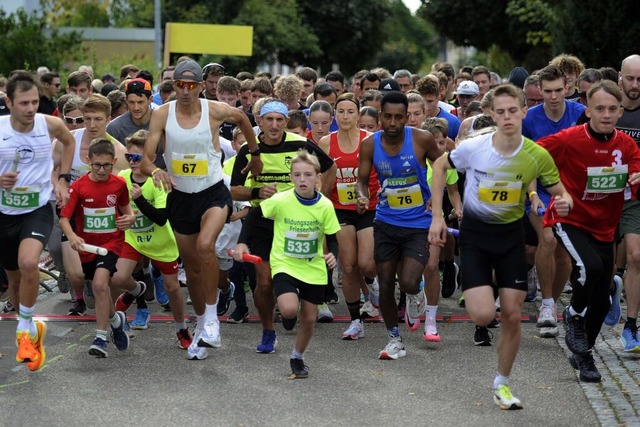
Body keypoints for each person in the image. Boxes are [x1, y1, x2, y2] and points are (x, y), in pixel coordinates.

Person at [429, 83, 573, 410]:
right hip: (477, 237)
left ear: (524, 111)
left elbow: (563, 194)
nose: (508, 117)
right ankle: (486, 314)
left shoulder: (536, 155)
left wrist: (564, 204)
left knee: (511, 314)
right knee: (482, 314)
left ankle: (501, 383)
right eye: (501, 111)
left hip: (511, 237)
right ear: (491, 113)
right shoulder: (475, 148)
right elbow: (440, 166)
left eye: (514, 111)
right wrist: (438, 216)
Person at [141, 59, 260, 360]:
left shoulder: (214, 110)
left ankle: (212, 323)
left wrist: (255, 155)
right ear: (175, 85)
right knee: (192, 270)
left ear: (200, 86)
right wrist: (155, 171)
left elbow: (244, 119)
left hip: (212, 194)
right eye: (180, 84)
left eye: (192, 85)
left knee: (207, 245)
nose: (185, 91)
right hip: (180, 198)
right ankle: (203, 325)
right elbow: (145, 158)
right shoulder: (162, 115)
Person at [538, 80, 640, 381]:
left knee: (603, 299)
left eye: (611, 109)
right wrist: (549, 191)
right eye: (599, 109)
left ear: (620, 112)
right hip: (569, 219)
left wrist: (637, 179)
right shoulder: (569, 139)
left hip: (604, 227)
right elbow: (535, 155)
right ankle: (571, 314)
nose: (606, 115)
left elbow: (635, 175)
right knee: (589, 266)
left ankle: (584, 355)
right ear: (588, 110)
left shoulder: (627, 145)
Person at [230, 100, 335, 354]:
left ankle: (292, 307)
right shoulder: (248, 149)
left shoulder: (299, 144)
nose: (274, 125)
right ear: (259, 122)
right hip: (262, 221)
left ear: (286, 122)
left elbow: (329, 167)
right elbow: (234, 189)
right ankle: (268, 331)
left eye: (280, 120)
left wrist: (320, 199)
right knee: (264, 283)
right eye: (269, 120)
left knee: (302, 274)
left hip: (297, 222)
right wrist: (257, 190)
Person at [234, 151, 340, 378]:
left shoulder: (325, 206)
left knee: (310, 319)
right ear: (291, 178)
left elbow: (332, 237)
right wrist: (242, 243)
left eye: (308, 175)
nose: (302, 179)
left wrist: (334, 256)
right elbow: (253, 215)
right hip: (285, 263)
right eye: (297, 175)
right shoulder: (281, 200)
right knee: (290, 309)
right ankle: (289, 317)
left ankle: (297, 357)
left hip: (313, 268)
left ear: (317, 178)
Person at [356, 91, 441, 360]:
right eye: (388, 117)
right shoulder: (370, 144)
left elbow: (443, 167)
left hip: (418, 223)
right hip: (386, 221)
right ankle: (394, 339)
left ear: (407, 117)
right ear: (380, 116)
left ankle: (417, 295)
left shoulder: (421, 139)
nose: (393, 122)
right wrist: (362, 194)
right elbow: (361, 178)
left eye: (399, 117)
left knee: (408, 281)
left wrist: (438, 202)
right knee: (384, 283)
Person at [1, 71, 75, 371]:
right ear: (9, 102)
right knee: (16, 283)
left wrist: (63, 180)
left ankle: (24, 329)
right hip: (3, 213)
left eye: (34, 102)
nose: (31, 109)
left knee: (31, 264)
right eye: (24, 103)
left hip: (38, 208)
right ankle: (32, 332)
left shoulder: (50, 124)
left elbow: (69, 143)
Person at [111, 130, 191, 347]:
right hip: (134, 238)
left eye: (137, 158)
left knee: (172, 288)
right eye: (129, 157)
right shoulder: (122, 178)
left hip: (160, 242)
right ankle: (137, 289)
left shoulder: (159, 181)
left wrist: (140, 201)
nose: (133, 162)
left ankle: (181, 329)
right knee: (118, 279)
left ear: (151, 159)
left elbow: (162, 218)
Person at [524, 65, 586, 338]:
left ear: (568, 88)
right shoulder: (530, 119)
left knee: (565, 260)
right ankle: (548, 304)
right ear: (540, 90)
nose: (553, 96)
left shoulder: (579, 114)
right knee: (547, 240)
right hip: (540, 190)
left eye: (558, 90)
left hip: (569, 193)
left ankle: (550, 303)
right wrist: (533, 194)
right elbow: (527, 163)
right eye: (547, 91)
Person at [59, 139, 136, 357]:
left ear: (113, 162)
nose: (102, 170)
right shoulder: (79, 186)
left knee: (101, 284)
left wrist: (129, 218)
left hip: (111, 243)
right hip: (87, 246)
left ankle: (100, 338)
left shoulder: (119, 184)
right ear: (88, 161)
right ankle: (115, 320)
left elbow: (126, 209)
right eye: (97, 165)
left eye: (107, 165)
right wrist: (72, 236)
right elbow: (64, 218)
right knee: (99, 288)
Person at [318, 94, 379, 340]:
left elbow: (382, 172)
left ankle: (374, 285)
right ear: (335, 115)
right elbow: (321, 178)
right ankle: (355, 321)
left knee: (366, 263)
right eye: (340, 112)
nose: (345, 116)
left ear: (358, 115)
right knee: (349, 265)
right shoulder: (325, 142)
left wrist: (370, 194)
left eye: (350, 112)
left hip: (369, 206)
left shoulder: (371, 140)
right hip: (339, 208)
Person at [617, 54, 640, 352]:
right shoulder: (607, 108)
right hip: (600, 197)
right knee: (599, 266)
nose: (636, 85)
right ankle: (610, 289)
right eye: (631, 78)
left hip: (634, 198)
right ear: (620, 77)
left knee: (636, 256)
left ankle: (631, 324)